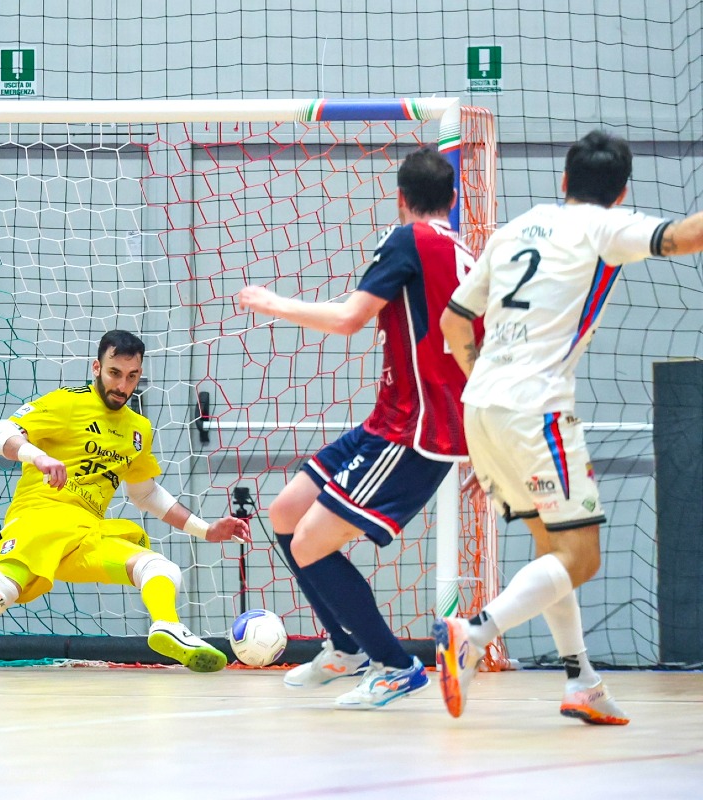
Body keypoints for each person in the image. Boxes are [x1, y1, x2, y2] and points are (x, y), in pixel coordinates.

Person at [436, 130, 703, 724]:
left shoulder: (516, 228)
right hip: (537, 407)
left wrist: (491, 392)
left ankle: (582, 681)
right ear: (623, 190)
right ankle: (474, 633)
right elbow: (687, 235)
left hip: (480, 404)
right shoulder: (607, 227)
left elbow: (454, 325)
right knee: (581, 557)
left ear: (563, 181)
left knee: (551, 550)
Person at [237, 146, 476, 708]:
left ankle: (396, 666)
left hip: (414, 430)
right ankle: (345, 646)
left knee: (314, 540)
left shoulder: (409, 240)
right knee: (286, 512)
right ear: (454, 198)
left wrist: (272, 303)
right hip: (390, 418)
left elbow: (350, 318)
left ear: (400, 199)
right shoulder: (465, 250)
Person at [0, 330, 252, 671]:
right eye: (114, 373)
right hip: (39, 523)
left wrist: (207, 531)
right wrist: (38, 457)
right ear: (97, 368)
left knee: (162, 569)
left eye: (132, 376)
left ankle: (167, 627)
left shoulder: (139, 428)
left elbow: (145, 493)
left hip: (88, 535)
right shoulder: (68, 402)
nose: (122, 385)